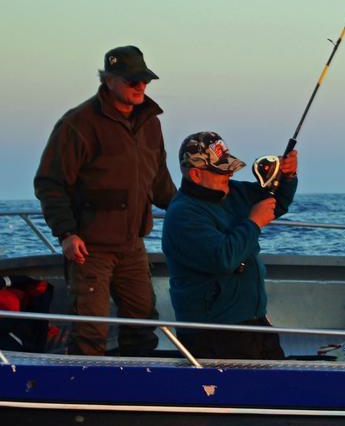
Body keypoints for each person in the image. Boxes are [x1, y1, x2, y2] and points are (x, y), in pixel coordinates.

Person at [34, 45, 176, 356]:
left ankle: (139, 388)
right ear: (109, 80)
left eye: (145, 80)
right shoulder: (78, 124)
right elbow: (49, 182)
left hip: (133, 247)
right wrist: (67, 233)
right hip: (89, 248)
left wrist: (188, 210)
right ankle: (84, 397)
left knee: (143, 321)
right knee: (90, 329)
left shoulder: (151, 123)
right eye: (132, 81)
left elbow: (161, 182)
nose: (141, 86)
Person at [161, 132, 297, 360]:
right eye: (221, 170)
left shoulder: (233, 192)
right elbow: (222, 258)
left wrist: (288, 175)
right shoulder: (183, 214)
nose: (230, 173)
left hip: (252, 321)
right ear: (195, 174)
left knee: (275, 386)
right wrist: (253, 222)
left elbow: (276, 203)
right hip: (213, 332)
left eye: (229, 167)